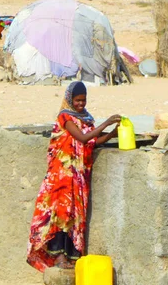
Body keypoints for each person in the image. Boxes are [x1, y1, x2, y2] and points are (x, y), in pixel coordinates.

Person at [27, 81, 121, 271]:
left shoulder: (86, 118)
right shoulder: (65, 117)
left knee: (75, 216)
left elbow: (92, 142)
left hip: (78, 175)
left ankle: (70, 257)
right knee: (62, 214)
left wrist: (112, 134)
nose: (80, 104)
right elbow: (82, 138)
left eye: (83, 100)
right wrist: (106, 123)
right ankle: (59, 257)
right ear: (70, 99)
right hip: (62, 174)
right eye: (77, 100)